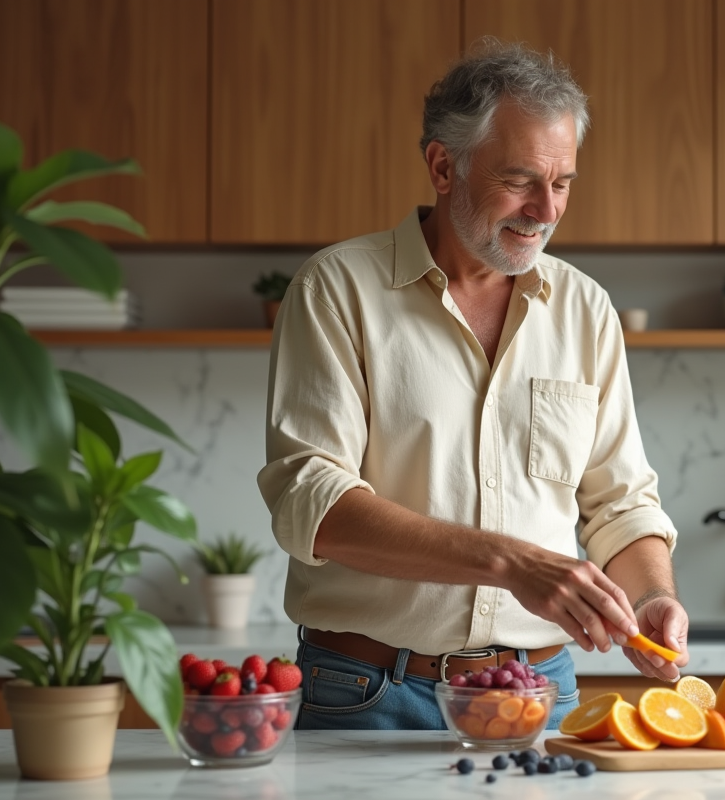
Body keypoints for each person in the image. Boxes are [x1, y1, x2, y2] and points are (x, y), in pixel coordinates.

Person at [256, 39, 689, 731]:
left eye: (564, 182)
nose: (546, 210)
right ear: (442, 166)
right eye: (520, 180)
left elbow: (621, 502)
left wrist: (650, 597)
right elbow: (314, 501)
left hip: (542, 692)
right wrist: (511, 563)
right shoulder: (337, 289)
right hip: (369, 691)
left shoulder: (586, 309)